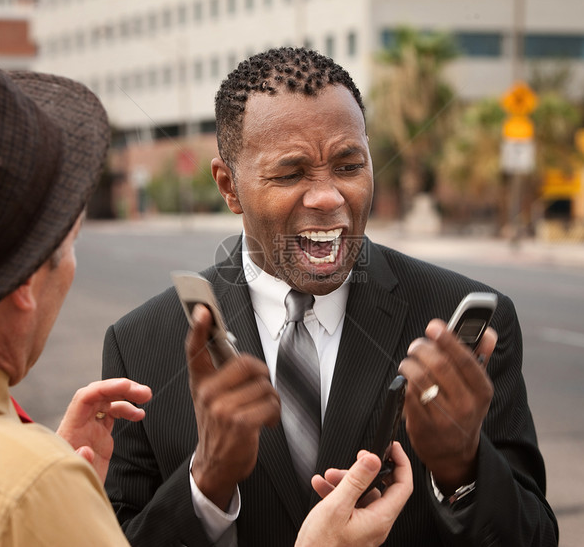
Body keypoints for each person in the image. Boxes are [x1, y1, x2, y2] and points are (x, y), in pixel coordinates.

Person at [0, 46, 412, 547]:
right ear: (27, 284)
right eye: (70, 242)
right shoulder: (35, 485)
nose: (325, 195)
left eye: (348, 165)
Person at [102, 47, 559, 546]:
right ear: (229, 186)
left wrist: (462, 469)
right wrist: (206, 483)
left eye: (348, 166)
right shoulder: (142, 342)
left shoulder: (459, 323)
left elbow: (532, 537)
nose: (328, 197)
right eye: (291, 173)